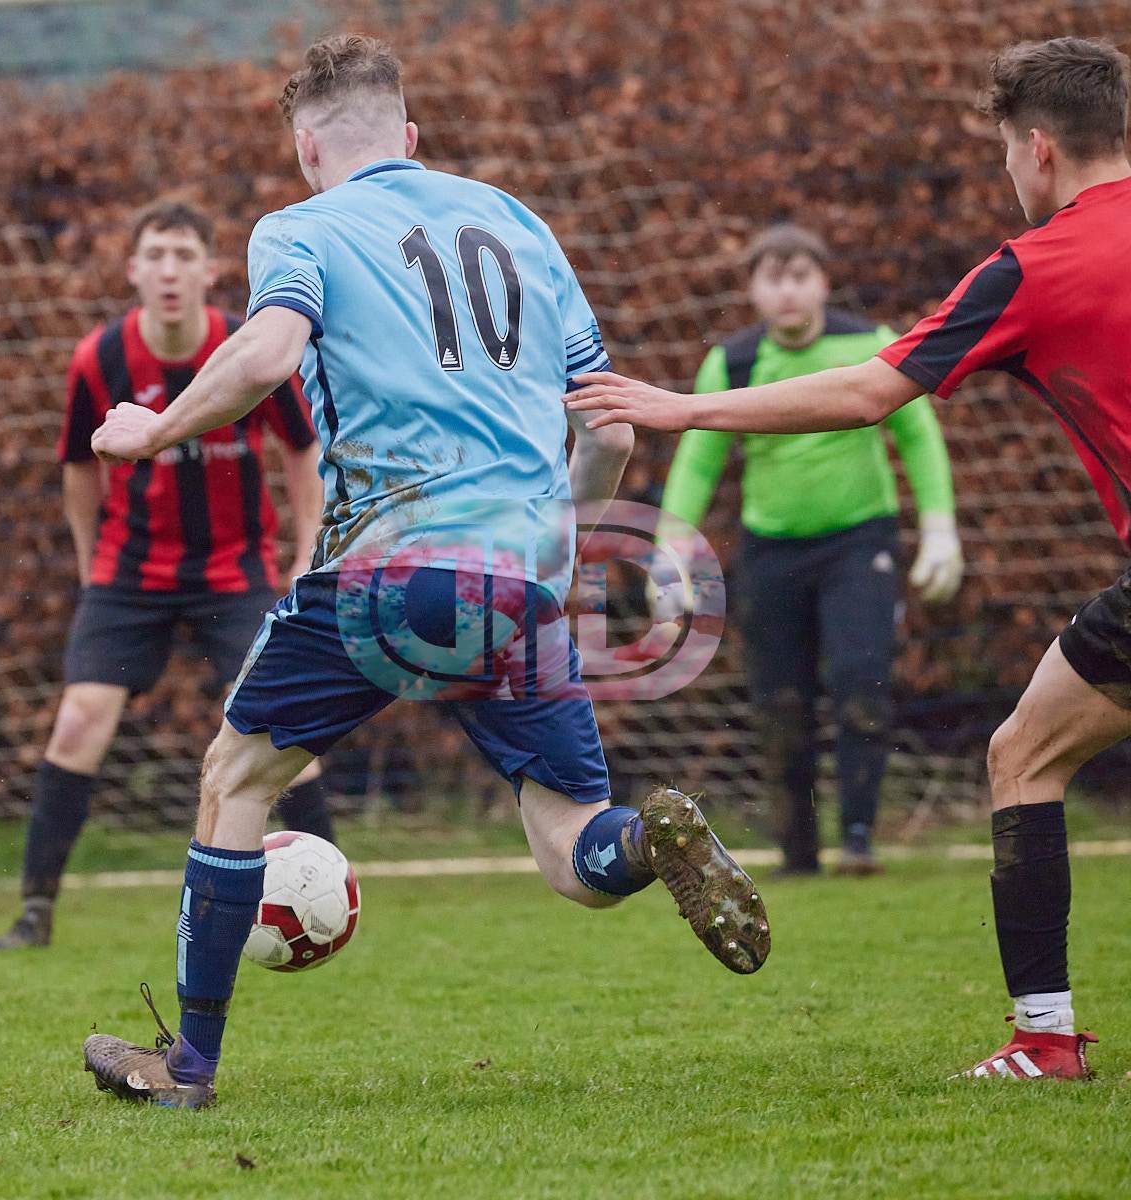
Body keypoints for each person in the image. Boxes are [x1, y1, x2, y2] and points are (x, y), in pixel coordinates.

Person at [79, 34, 771, 1110]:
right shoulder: (520, 224)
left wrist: (155, 427)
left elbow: (268, 355)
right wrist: (555, 556)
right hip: (520, 581)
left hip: (390, 569)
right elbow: (609, 429)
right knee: (572, 851)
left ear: (307, 147)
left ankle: (190, 1067)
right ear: (409, 134)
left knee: (236, 779)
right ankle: (649, 838)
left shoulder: (300, 228)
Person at [569, 35, 1131, 1080]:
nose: (1010, 171)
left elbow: (872, 393)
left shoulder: (1032, 266)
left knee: (1023, 760)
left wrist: (677, 407)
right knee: (1021, 745)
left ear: (1039, 149)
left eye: (1006, 152)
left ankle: (1045, 1040)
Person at [0, 201, 335, 952]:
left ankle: (327, 890)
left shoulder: (248, 348)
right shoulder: (99, 358)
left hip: (233, 569)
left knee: (278, 724)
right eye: (156, 256)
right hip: (130, 573)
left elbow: (302, 449)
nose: (170, 271)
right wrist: (91, 566)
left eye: (184, 255)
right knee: (79, 721)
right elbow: (79, 468)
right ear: (133, 270)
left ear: (210, 270)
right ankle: (34, 911)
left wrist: (307, 549)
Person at [655, 224, 960, 876]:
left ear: (823, 282)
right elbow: (699, 462)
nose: (788, 292)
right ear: (752, 290)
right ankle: (798, 856)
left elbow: (918, 435)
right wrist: (668, 550)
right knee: (781, 705)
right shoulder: (733, 363)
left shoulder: (870, 345)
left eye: (800, 276)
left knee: (860, 685)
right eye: (773, 278)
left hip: (860, 543)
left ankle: (858, 840)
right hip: (771, 552)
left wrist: (940, 525)